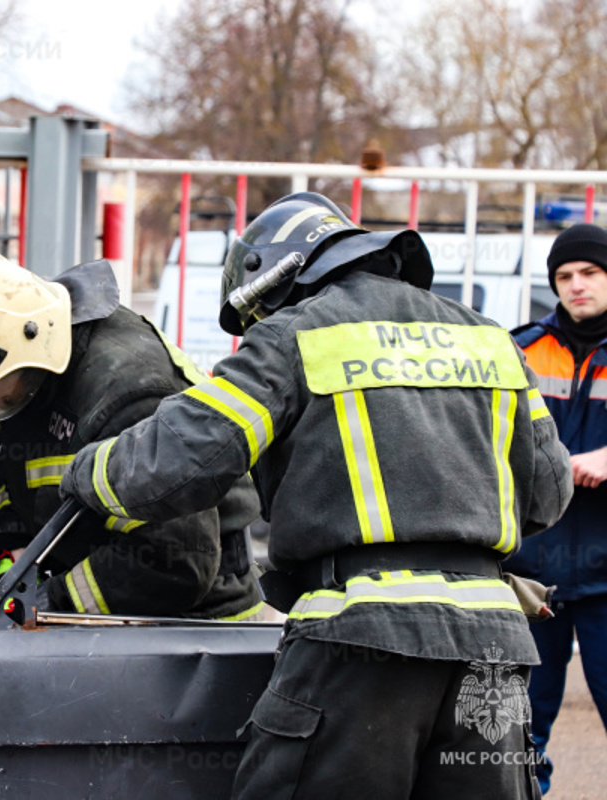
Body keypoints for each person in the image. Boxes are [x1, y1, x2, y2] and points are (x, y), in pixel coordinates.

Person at [59, 192, 573, 799]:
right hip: (491, 651)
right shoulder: (490, 339)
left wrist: (83, 473)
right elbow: (547, 493)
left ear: (278, 282)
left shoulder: (294, 335)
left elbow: (179, 462)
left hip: (358, 646)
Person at [0, 250, 264, 620]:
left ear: (36, 342)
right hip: (100, 605)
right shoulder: (22, 379)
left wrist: (42, 606)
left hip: (194, 627)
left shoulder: (128, 395)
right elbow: (13, 478)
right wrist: (12, 570)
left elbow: (175, 563)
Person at [506, 222, 607, 794]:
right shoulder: (520, 350)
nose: (576, 286)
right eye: (564, 276)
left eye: (590, 273)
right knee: (517, 732)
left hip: (606, 576)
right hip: (532, 577)